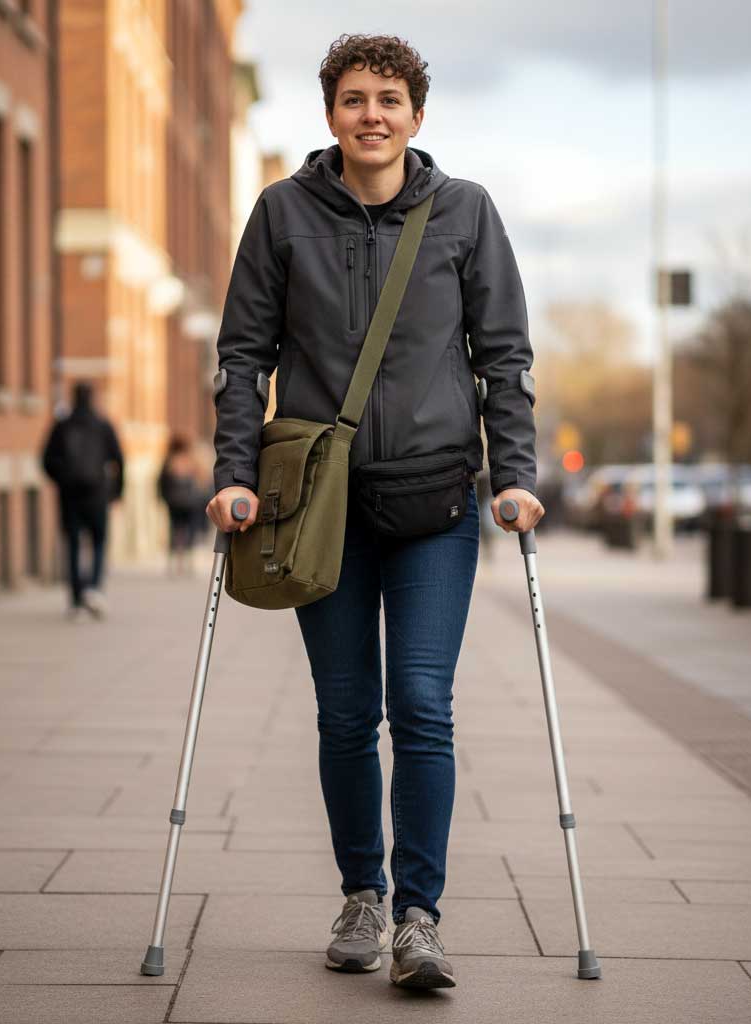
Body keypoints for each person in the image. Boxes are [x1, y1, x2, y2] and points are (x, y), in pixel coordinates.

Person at [206, 34, 544, 990]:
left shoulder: (465, 213)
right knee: (348, 713)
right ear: (330, 115)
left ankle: (419, 919)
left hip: (437, 501)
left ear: (416, 115)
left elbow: (504, 360)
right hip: (322, 510)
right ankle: (362, 894)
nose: (372, 115)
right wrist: (236, 474)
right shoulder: (282, 213)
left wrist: (512, 475)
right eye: (354, 98)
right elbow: (243, 359)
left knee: (422, 707)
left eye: (389, 99)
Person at [41, 381, 124, 619]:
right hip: (97, 494)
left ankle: (76, 600)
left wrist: (62, 479)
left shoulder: (62, 425)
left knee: (74, 545)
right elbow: (119, 459)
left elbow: (46, 460)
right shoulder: (103, 425)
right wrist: (117, 491)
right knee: (99, 542)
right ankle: (95, 590)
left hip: (70, 496)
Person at [157, 434, 202, 576]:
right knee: (189, 531)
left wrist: (164, 498)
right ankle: (188, 563)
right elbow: (200, 479)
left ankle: (174, 563)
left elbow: (161, 483)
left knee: (174, 530)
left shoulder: (169, 462)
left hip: (174, 503)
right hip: (189, 503)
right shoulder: (190, 461)